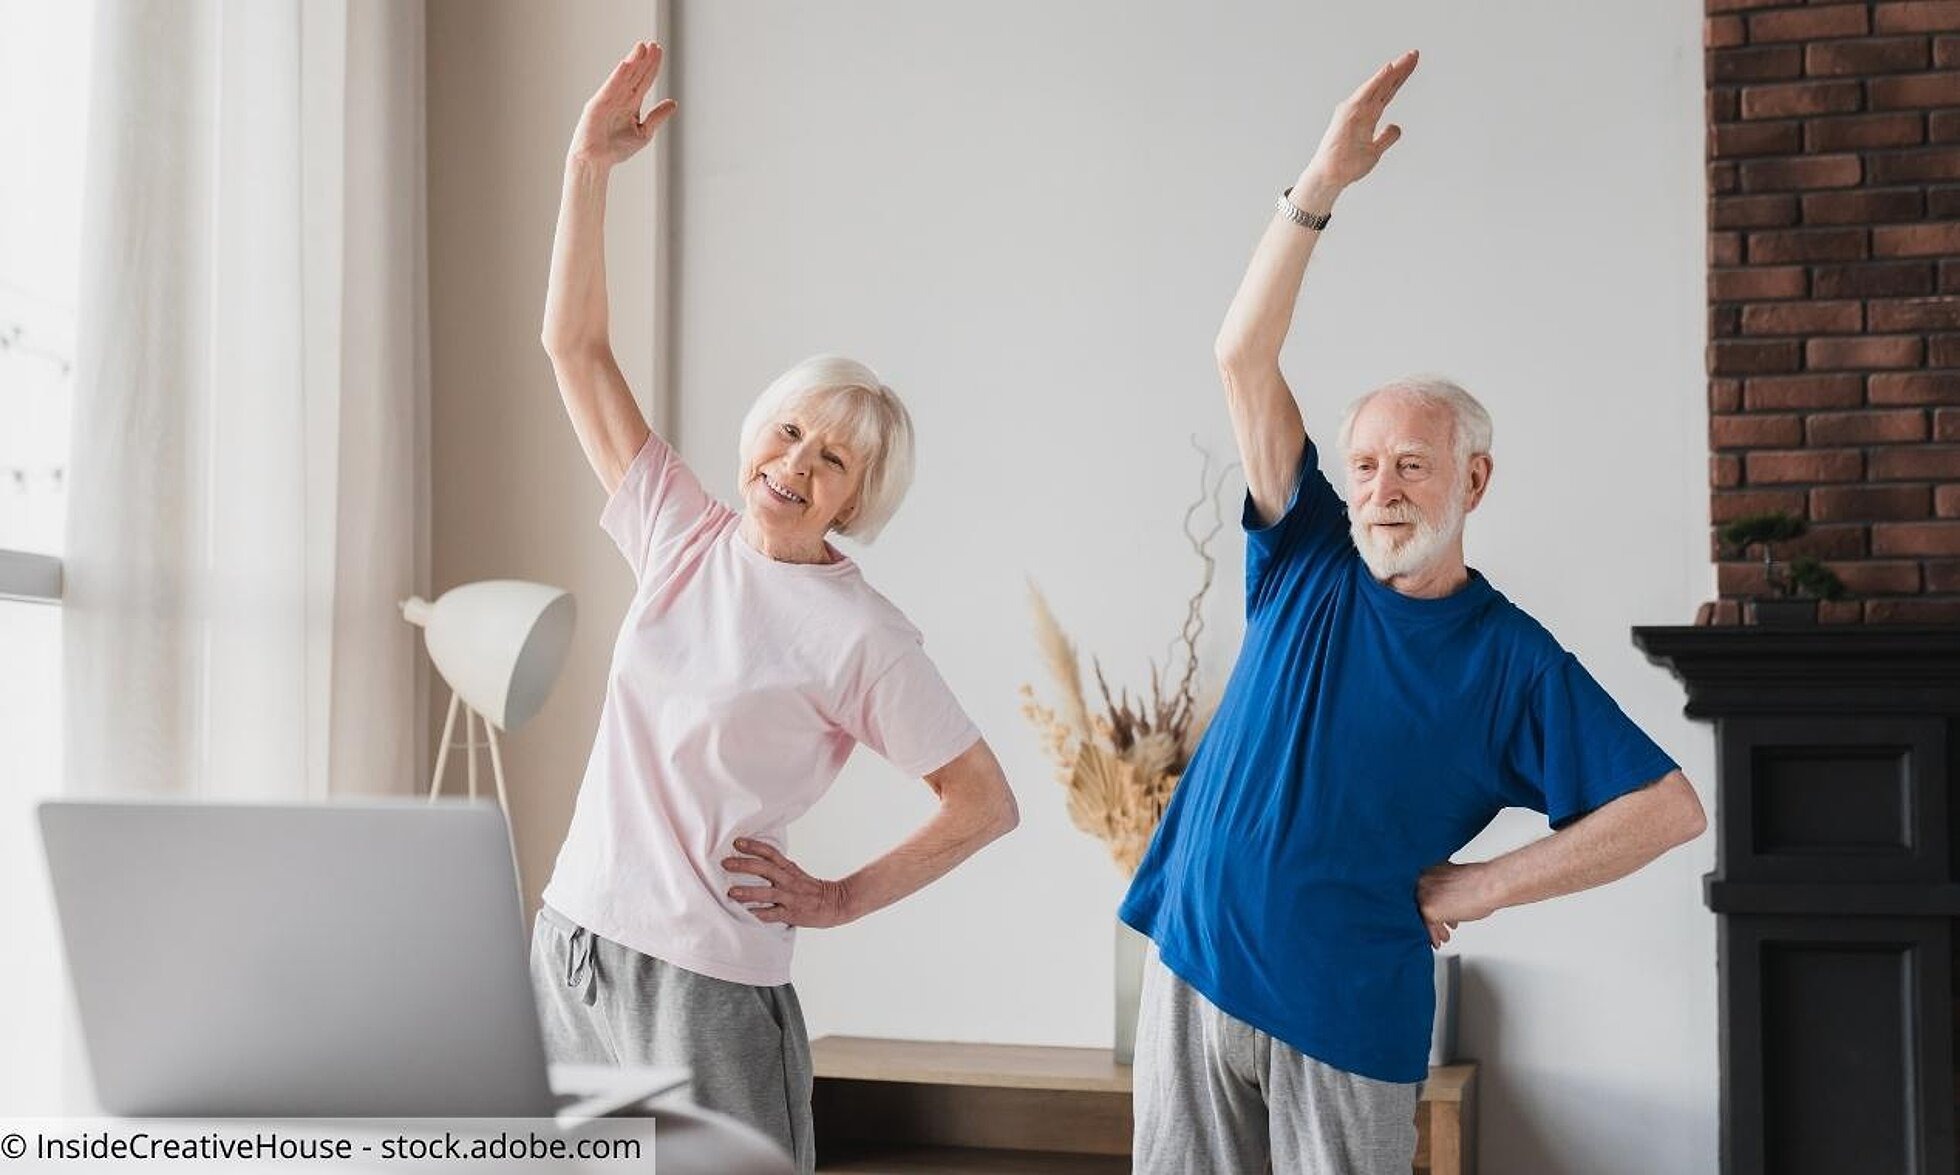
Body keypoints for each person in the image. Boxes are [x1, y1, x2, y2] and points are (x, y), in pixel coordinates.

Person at [1118, 50, 1707, 1173]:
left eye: (1411, 466)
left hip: (1345, 1013)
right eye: (1366, 464)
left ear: (1472, 480)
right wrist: (1317, 189)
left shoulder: (1512, 659)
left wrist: (1480, 886)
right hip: (1190, 968)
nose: (1381, 489)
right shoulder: (1307, 554)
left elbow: (1668, 810)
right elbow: (1241, 352)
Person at [530, 41, 1019, 1174]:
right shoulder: (678, 532)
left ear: (858, 498)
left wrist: (839, 897)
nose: (797, 463)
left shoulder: (862, 633)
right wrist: (586, 168)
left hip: (706, 985)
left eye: (833, 459)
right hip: (573, 947)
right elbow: (572, 345)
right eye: (790, 429)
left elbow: (982, 800)